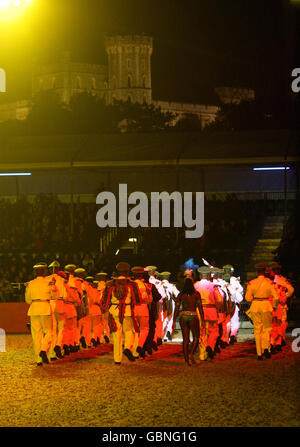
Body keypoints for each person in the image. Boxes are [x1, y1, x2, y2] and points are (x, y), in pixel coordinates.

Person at [100, 262, 141, 364]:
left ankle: (117, 359)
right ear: (127, 272)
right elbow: (138, 300)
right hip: (127, 311)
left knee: (116, 335)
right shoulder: (132, 284)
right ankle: (127, 347)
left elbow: (104, 302)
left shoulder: (110, 284)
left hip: (114, 310)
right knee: (129, 332)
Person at [245, 263, 279, 360]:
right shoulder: (269, 282)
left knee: (257, 330)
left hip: (255, 305)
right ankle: (266, 349)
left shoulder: (252, 282)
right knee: (267, 329)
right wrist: (275, 306)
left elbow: (247, 298)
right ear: (265, 271)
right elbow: (276, 297)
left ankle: (259, 353)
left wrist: (254, 298)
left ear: (257, 272)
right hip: (266, 305)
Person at [25, 262, 57, 365]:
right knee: (49, 332)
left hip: (34, 308)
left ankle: (38, 359)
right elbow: (54, 296)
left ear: (35, 272)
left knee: (36, 335)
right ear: (44, 271)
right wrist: (53, 286)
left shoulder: (30, 283)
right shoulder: (49, 282)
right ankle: (43, 350)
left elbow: (28, 300)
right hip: (45, 308)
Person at [173, 277, 204, 366]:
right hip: (193, 316)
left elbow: (177, 308)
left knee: (185, 340)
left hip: (183, 316)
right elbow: (200, 308)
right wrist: (202, 318)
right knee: (196, 338)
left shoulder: (181, 295)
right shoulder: (196, 294)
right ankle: (191, 354)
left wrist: (174, 320)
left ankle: (186, 360)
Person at [194, 266, 222, 360]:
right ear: (209, 275)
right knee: (214, 331)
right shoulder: (212, 285)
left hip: (199, 310)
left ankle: (202, 354)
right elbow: (219, 299)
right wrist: (218, 309)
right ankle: (210, 345)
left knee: (202, 332)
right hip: (211, 310)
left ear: (200, 275)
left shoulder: (196, 285)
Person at [131, 266, 153, 359]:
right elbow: (149, 300)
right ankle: (140, 346)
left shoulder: (131, 284)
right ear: (141, 275)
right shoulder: (144, 285)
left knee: (134, 331)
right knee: (145, 329)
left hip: (133, 309)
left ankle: (134, 351)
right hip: (143, 309)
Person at [47, 261, 66, 361]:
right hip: (60, 303)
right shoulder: (62, 280)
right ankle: (58, 345)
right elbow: (65, 295)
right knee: (61, 328)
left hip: (50, 304)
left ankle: (52, 354)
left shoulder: (46, 279)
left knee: (52, 330)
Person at [223, 264, 244, 344]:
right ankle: (231, 336)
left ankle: (228, 337)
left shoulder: (222, 280)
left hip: (226, 305)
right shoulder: (234, 280)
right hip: (231, 304)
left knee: (228, 322)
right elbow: (240, 293)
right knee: (233, 322)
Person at [159, 271, 179, 342]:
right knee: (170, 319)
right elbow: (177, 294)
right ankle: (167, 333)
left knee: (162, 319)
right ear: (168, 278)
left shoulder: (158, 285)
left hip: (160, 305)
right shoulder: (172, 286)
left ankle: (160, 335)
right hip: (171, 304)